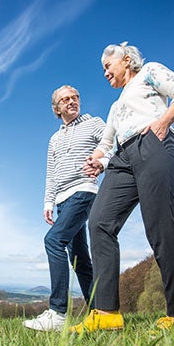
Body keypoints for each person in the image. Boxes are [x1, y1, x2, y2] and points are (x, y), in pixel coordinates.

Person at [69, 42, 174, 333]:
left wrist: (164, 121)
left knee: (159, 226)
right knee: (99, 223)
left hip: (153, 142)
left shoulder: (149, 72)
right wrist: (98, 161)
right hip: (123, 157)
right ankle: (106, 314)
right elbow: (106, 143)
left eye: (107, 66)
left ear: (126, 60)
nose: (105, 73)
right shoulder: (115, 106)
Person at [23, 85, 107, 331]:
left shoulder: (93, 124)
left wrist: (101, 162)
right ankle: (98, 313)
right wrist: (48, 202)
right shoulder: (55, 139)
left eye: (75, 97)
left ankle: (58, 313)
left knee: (53, 241)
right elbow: (51, 173)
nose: (71, 102)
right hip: (61, 199)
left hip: (84, 190)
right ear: (57, 108)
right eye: (65, 99)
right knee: (79, 258)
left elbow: (112, 143)